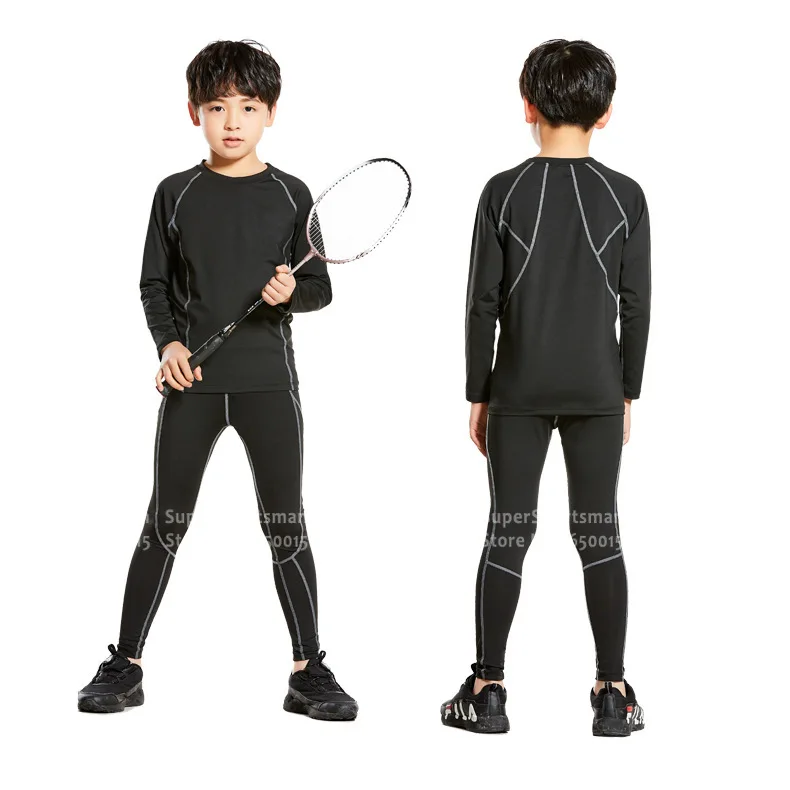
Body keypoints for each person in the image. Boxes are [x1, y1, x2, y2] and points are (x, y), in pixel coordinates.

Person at [77, 39, 358, 721]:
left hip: (269, 386)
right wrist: (169, 343)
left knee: (285, 523)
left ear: (271, 113)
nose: (233, 120)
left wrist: (290, 292)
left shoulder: (292, 194)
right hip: (192, 385)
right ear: (193, 111)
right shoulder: (175, 193)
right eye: (217, 106)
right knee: (164, 522)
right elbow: (153, 285)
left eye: (249, 106)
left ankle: (309, 670)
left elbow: (320, 288)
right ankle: (125, 663)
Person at [441, 39, 650, 736]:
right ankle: (613, 693)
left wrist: (478, 392)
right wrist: (627, 392)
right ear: (606, 113)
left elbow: (481, 304)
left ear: (526, 104)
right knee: (599, 531)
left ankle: (488, 689)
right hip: (597, 389)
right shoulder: (626, 196)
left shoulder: (503, 191)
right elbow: (636, 306)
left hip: (518, 390)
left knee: (508, 528)